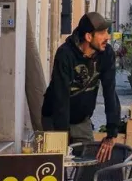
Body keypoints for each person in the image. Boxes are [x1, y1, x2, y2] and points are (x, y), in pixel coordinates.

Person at [43, 12, 123, 159]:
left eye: (107, 32)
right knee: (57, 167)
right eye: (102, 33)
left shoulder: (106, 54)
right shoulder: (65, 54)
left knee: (88, 164)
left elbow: (110, 92)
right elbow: (61, 98)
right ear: (88, 37)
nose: (107, 37)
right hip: (55, 119)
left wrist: (112, 133)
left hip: (81, 120)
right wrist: (62, 139)